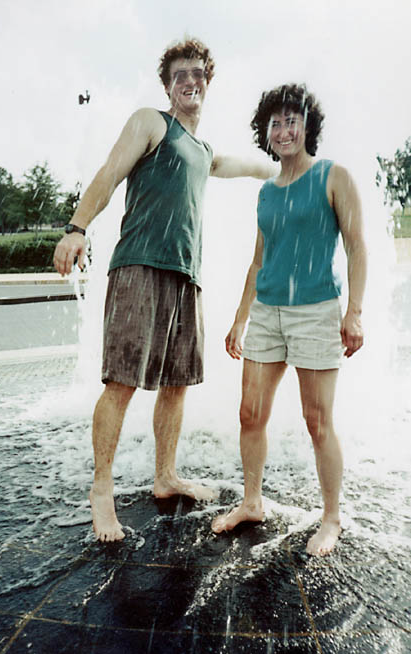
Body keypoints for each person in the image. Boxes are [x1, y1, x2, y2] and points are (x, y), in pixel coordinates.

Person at [53, 38, 274, 542]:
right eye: (179, 75)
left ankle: (165, 475)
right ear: (168, 85)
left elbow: (247, 166)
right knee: (122, 382)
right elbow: (110, 173)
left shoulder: (204, 151)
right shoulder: (151, 123)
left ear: (207, 83)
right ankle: (102, 490)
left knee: (176, 384)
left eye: (197, 73)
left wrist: (288, 166)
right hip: (139, 267)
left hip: (185, 276)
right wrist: (78, 228)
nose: (189, 80)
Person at [211, 83, 367, 556]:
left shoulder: (333, 176)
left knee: (317, 420)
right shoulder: (266, 194)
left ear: (307, 126)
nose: (283, 130)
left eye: (292, 120)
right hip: (268, 314)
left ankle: (332, 517)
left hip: (317, 313)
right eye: (275, 123)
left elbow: (357, 246)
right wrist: (240, 318)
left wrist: (354, 312)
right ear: (267, 133)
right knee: (250, 413)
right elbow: (259, 262)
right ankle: (252, 502)